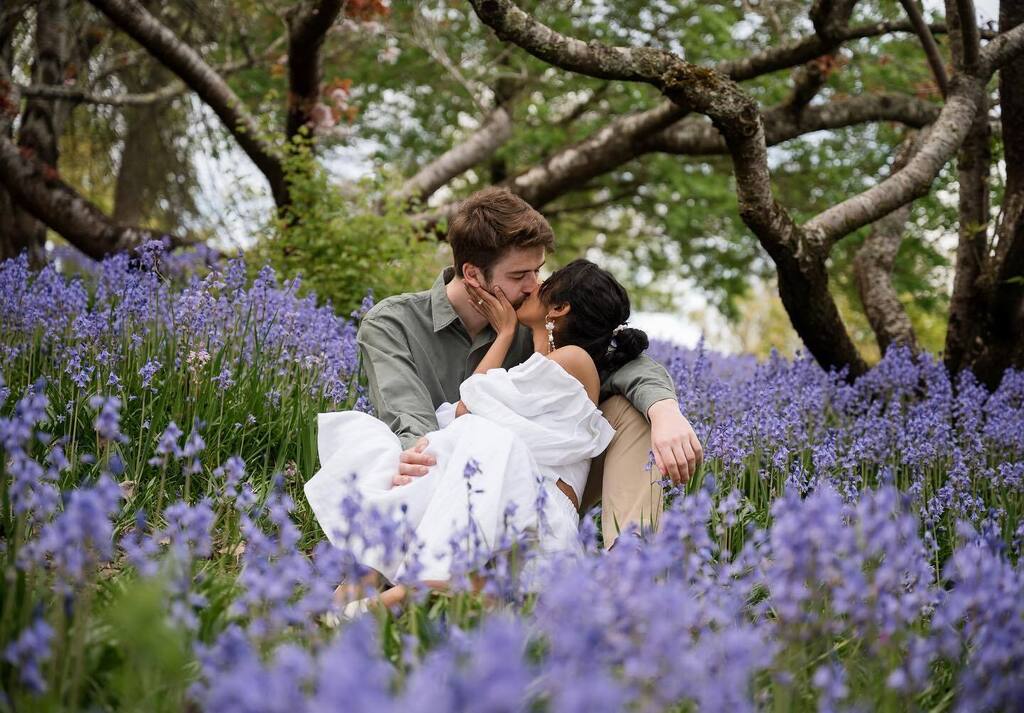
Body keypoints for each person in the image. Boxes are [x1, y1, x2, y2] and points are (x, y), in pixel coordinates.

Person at [352, 187, 703, 551]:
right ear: (472, 273)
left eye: (537, 271)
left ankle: (632, 569)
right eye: (520, 274)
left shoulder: (534, 324)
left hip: (540, 488)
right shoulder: (393, 323)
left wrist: (665, 410)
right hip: (440, 476)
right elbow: (412, 424)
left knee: (633, 412)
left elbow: (619, 360)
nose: (534, 285)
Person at [305, 259, 652, 612]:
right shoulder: (540, 365)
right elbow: (466, 411)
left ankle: (381, 597)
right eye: (524, 275)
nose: (532, 286)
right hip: (501, 497)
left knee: (481, 438)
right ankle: (349, 603)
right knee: (416, 452)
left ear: (559, 308)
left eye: (543, 282)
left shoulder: (573, 359)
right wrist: (505, 336)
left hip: (536, 512)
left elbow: (465, 408)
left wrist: (502, 336)